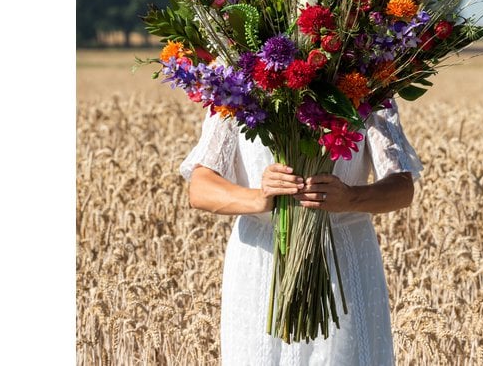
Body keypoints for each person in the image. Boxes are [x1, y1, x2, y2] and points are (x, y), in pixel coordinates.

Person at [180, 98, 423, 365]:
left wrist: (350, 198)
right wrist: (259, 198)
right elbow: (201, 188)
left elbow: (402, 186)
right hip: (261, 265)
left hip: (342, 262)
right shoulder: (235, 83)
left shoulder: (369, 77)